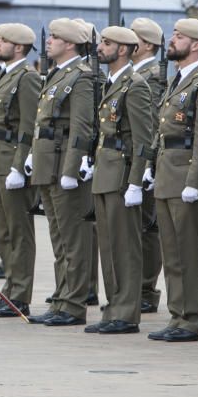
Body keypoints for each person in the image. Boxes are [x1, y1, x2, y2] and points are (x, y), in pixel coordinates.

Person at [145, 18, 198, 343]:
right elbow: (164, 131)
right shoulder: (179, 80)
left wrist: (196, 180)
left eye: (179, 36)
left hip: (189, 176)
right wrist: (152, 164)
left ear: (196, 44)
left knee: (193, 251)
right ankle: (178, 315)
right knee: (173, 252)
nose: (172, 40)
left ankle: (193, 319)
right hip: (168, 173)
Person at [26, 18, 97, 327]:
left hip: (62, 165)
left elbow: (82, 125)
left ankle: (73, 304)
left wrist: (72, 168)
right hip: (47, 163)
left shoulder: (80, 77)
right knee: (59, 238)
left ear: (70, 43)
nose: (49, 41)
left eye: (55, 37)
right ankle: (61, 297)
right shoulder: (56, 74)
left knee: (73, 238)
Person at [88, 25, 152, 334]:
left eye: (107, 43)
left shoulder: (134, 85)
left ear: (124, 50)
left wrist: (136, 182)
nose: (101, 47)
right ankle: (114, 307)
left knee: (125, 246)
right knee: (109, 245)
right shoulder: (112, 83)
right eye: (102, 42)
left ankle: (126, 312)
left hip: (122, 175)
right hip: (105, 171)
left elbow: (142, 139)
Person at [0, 23, 40, 318]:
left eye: (3, 40)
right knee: (2, 232)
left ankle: (20, 295)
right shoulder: (4, 75)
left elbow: (29, 126)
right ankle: (9, 292)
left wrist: (20, 165)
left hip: (10, 162)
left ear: (19, 47)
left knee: (18, 232)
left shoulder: (26, 78)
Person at [130, 17, 166, 314]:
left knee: (146, 226)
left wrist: (147, 163)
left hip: (144, 157)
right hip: (128, 157)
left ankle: (145, 288)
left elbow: (151, 122)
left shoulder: (152, 75)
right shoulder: (134, 73)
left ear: (148, 45)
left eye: (134, 38)